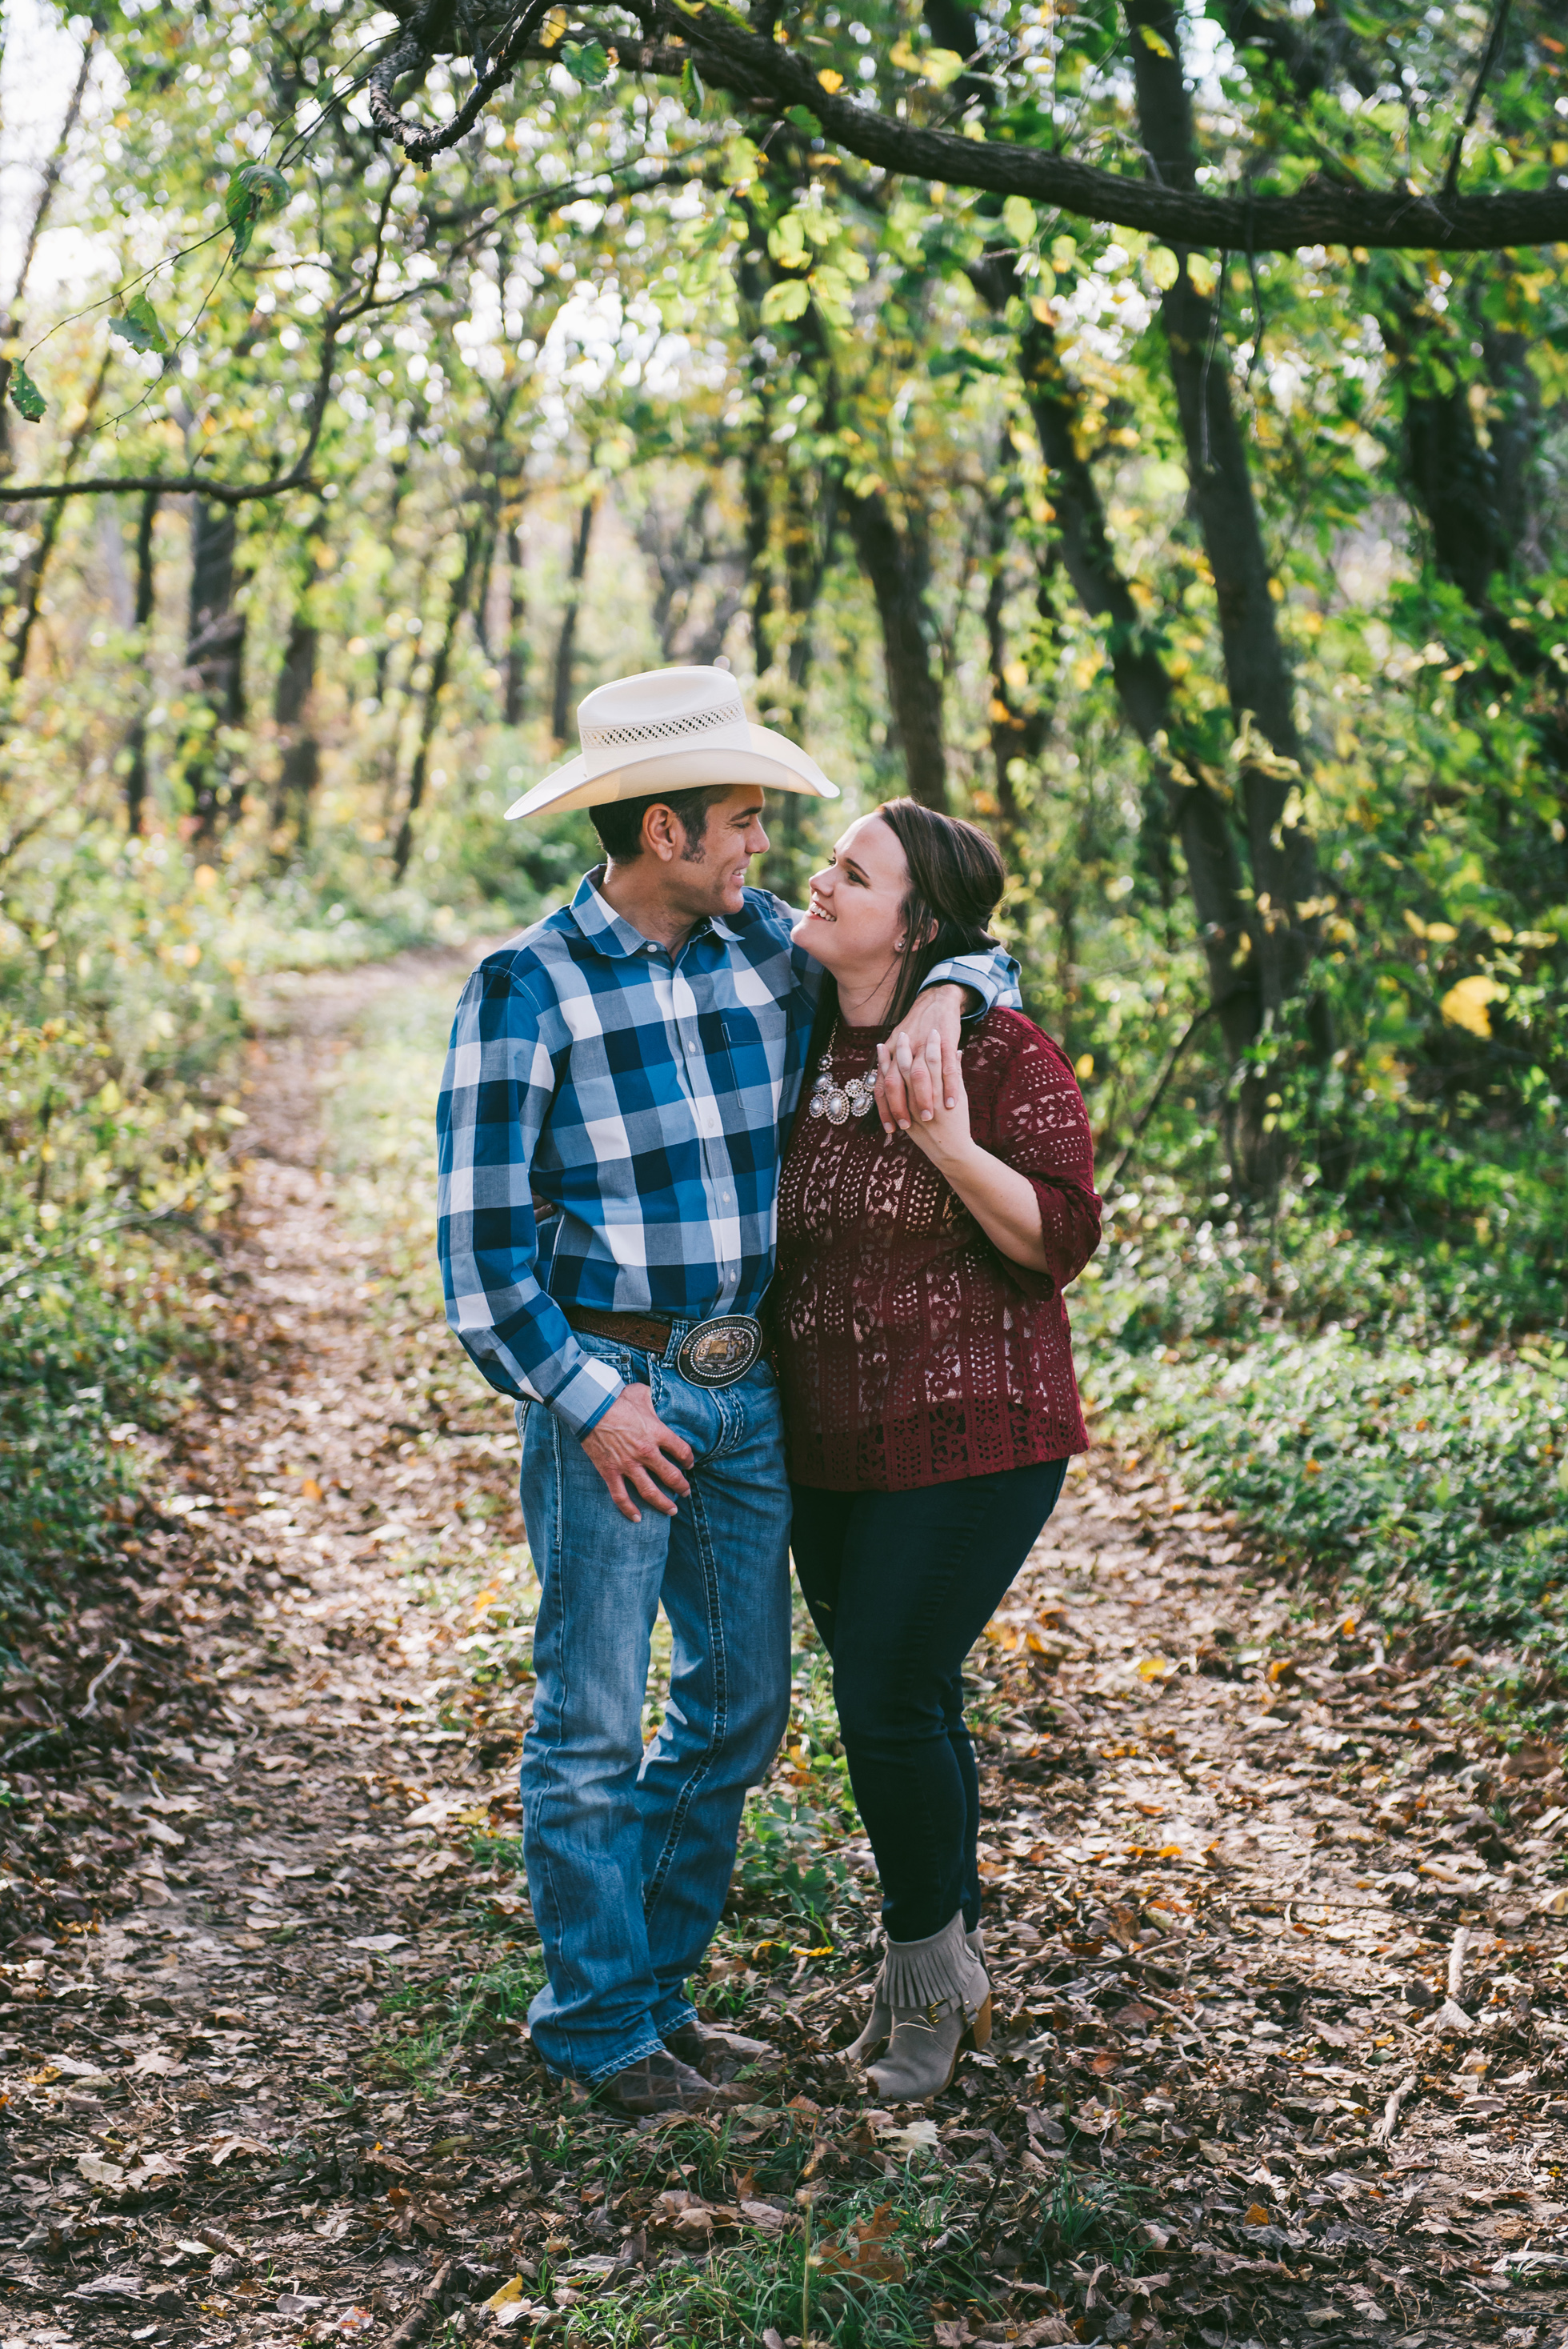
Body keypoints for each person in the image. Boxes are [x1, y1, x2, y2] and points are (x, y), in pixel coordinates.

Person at [435, 666, 1018, 2117]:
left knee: (742, 1705)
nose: (766, 850)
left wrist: (953, 991)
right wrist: (588, 1402)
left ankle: (660, 1992)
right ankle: (596, 2026)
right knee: (588, 1725)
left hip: (745, 1388)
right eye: (745, 822)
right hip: (612, 1394)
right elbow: (478, 1259)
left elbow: (955, 950)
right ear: (664, 829)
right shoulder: (524, 989)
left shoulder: (762, 950)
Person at [770, 797, 1102, 2103]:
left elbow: (1060, 1239)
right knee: (912, 1698)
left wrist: (949, 1142)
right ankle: (947, 1965)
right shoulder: (792, 1023)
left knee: (883, 1696)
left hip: (978, 1428)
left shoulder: (1001, 1053)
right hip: (825, 1442)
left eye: (854, 872)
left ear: (920, 926)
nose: (821, 879)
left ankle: (921, 1985)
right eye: (831, 862)